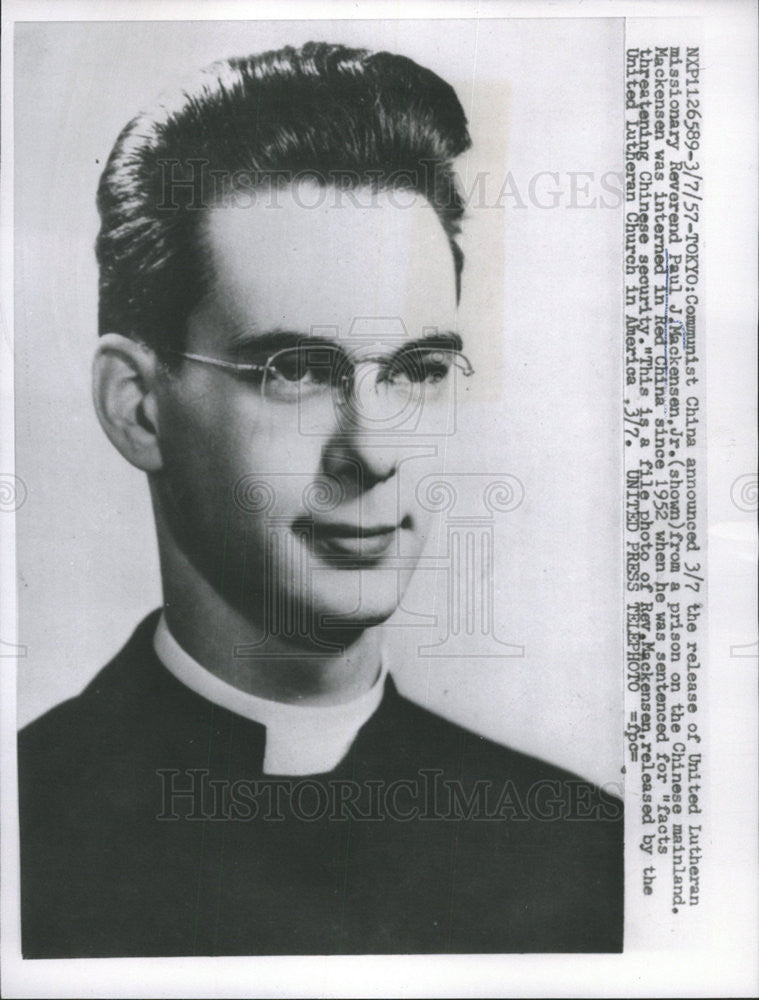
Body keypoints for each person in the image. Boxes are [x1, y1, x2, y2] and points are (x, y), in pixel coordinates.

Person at [18, 41, 623, 957]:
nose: (371, 453)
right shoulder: (21, 832)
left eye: (417, 370)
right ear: (138, 409)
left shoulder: (582, 853)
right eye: (298, 371)